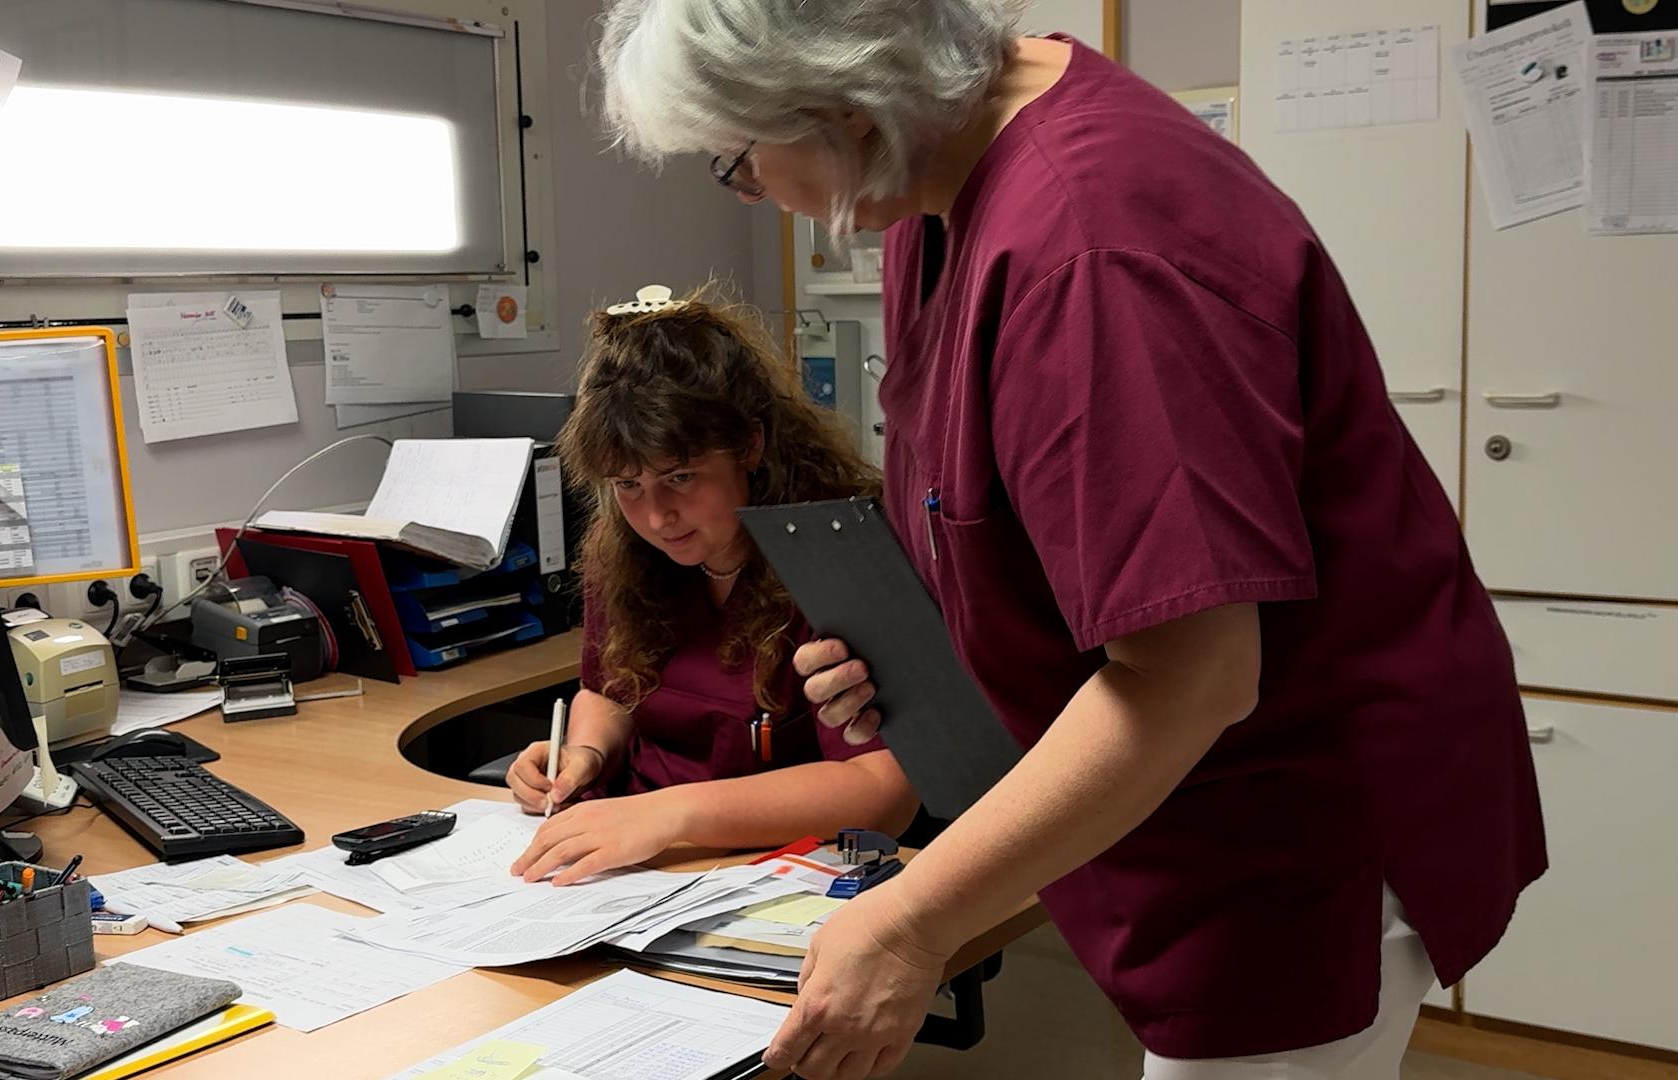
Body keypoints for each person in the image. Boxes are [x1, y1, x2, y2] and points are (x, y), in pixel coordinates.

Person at [593, 4, 1546, 1079]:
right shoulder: (930, 195)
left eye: (736, 160)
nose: (755, 193)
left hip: (1289, 817)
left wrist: (911, 919)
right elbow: (998, 516)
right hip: (1183, 793)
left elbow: (1190, 678)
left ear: (834, 105)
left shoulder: (1095, 246)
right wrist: (920, 659)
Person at [505, 288, 918, 886]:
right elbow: (611, 691)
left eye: (680, 476)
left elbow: (883, 792)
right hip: (634, 865)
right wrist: (585, 755)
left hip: (782, 870)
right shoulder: (623, 551)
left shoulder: (839, 550)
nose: (655, 517)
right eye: (628, 485)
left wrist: (671, 814)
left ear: (749, 444)